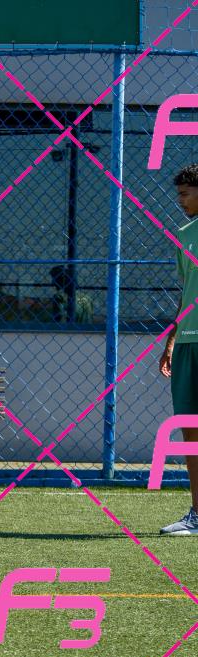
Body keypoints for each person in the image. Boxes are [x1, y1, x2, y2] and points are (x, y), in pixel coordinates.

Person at [159, 163, 198, 535]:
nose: (180, 201)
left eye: (186, 193)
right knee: (191, 431)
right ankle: (197, 514)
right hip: (187, 343)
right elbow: (186, 294)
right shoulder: (184, 235)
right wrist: (172, 340)